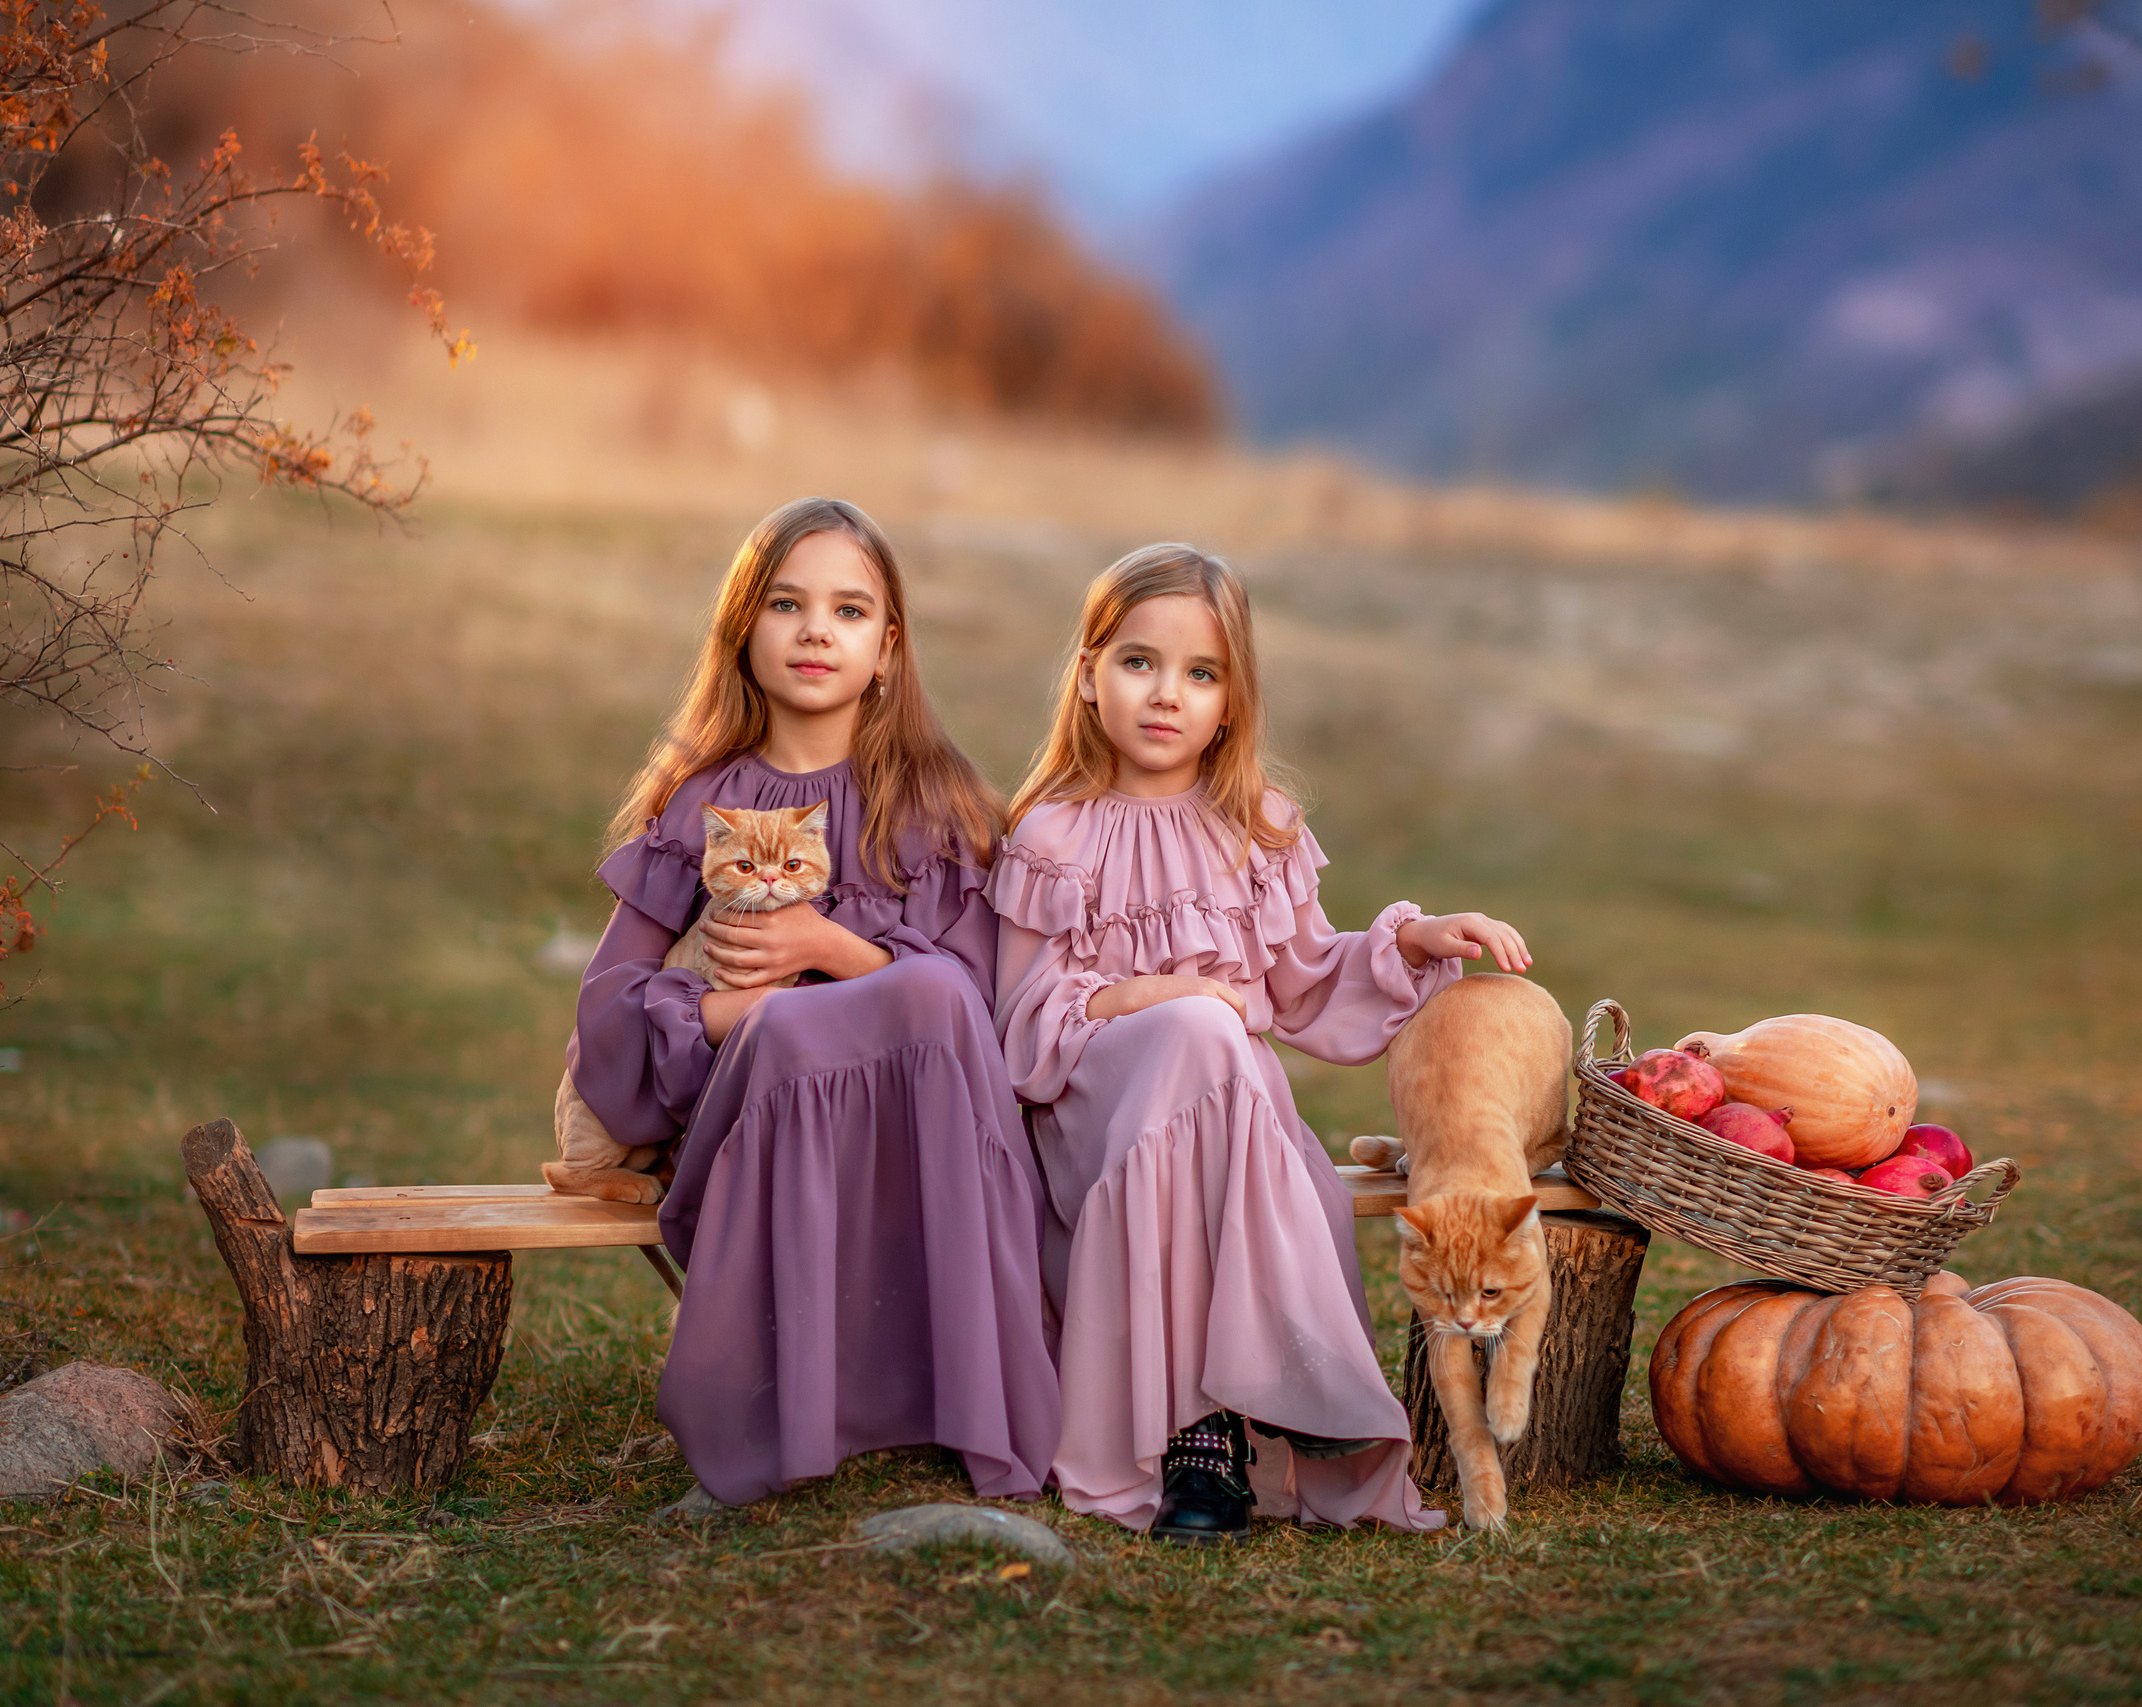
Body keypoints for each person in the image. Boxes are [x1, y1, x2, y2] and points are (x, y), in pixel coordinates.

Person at [988, 543, 1532, 1543]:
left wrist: (1413, 937)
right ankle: (1266, 1393)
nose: (1167, 694)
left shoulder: (1255, 830)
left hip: (1234, 1131)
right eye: (1139, 662)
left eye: (1201, 673)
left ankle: (1217, 1433)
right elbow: (1022, 1028)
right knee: (1200, 1029)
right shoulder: (1050, 837)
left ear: (1232, 703)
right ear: (1089, 675)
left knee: (1215, 1042)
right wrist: (1162, 995)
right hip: (1106, 1129)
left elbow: (1307, 984)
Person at [570, 497, 1059, 1514]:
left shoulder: (937, 803)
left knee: (926, 988)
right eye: (786, 604)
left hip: (918, 1136)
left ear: (888, 648)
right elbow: (609, 1017)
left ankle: (946, 1395)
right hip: (760, 1116)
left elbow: (979, 1016)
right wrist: (727, 1014)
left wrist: (831, 951)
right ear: (743, 630)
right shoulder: (698, 801)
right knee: (797, 1024)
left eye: (847, 609)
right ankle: (775, 1412)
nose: (815, 631)